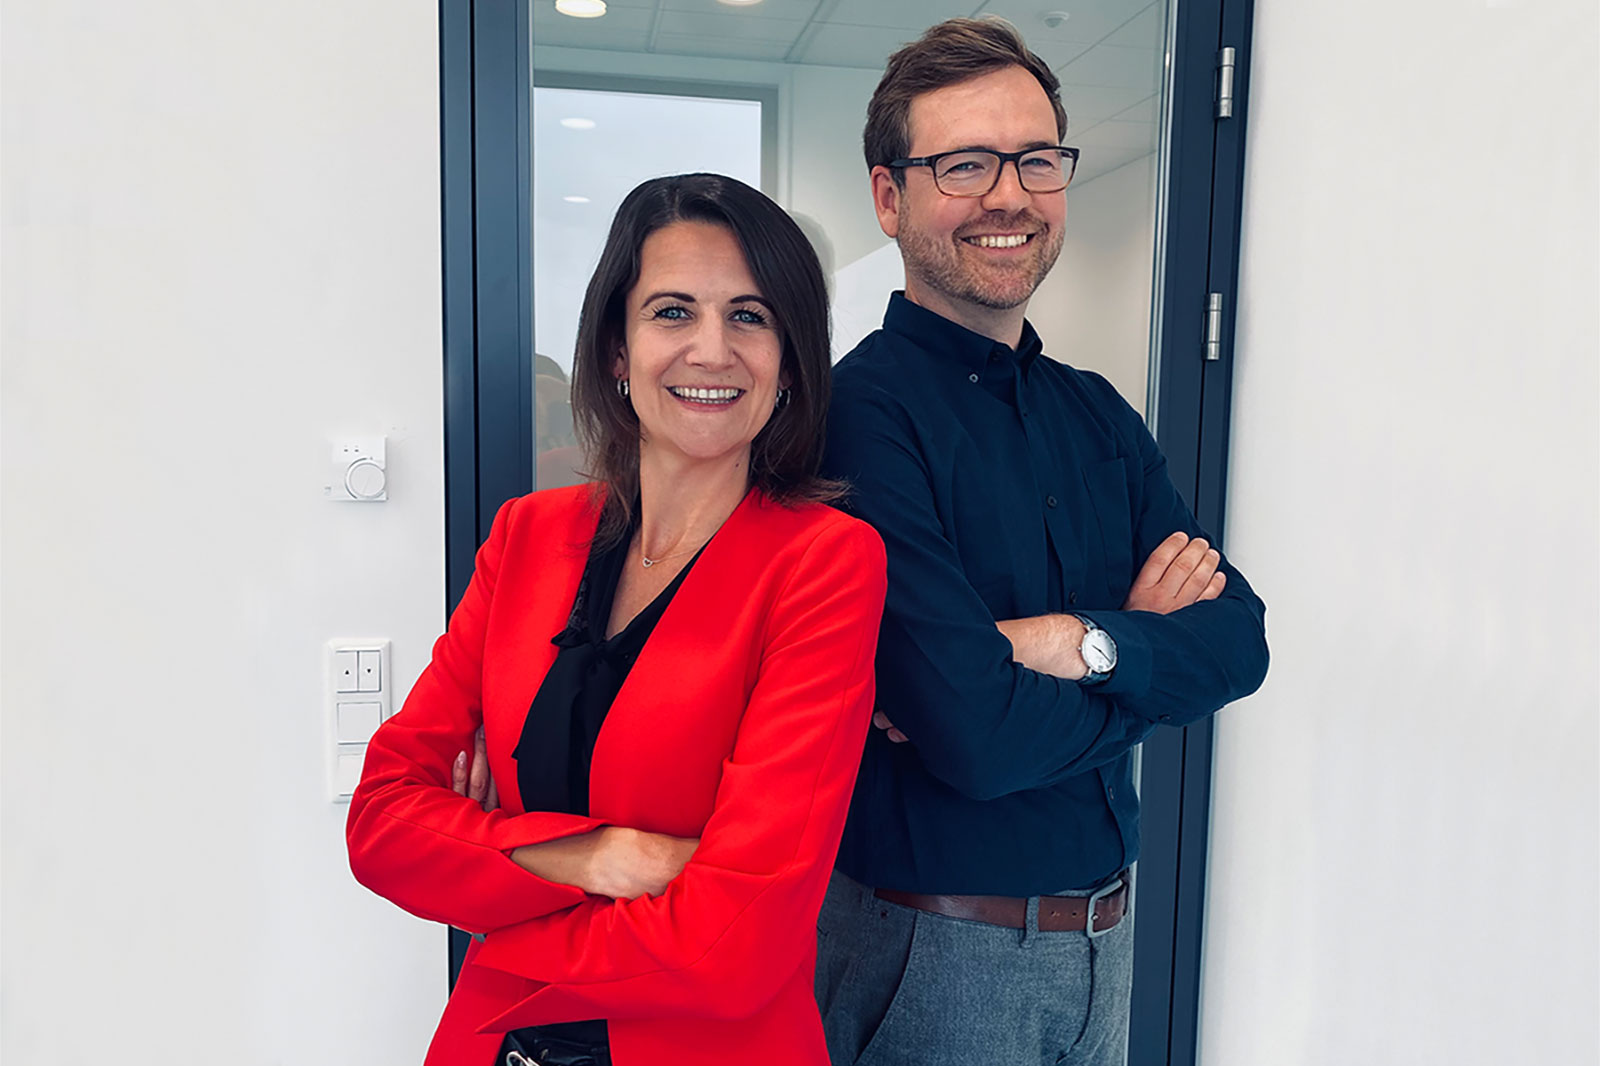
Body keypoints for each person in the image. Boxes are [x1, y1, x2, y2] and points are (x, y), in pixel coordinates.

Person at [347, 173, 888, 1066]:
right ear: (615, 349)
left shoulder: (823, 563)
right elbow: (382, 825)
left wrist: (492, 873)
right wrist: (589, 855)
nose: (712, 350)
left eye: (750, 317)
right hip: (497, 1048)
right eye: (673, 311)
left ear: (790, 361)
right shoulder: (526, 538)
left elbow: (736, 941)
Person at [814, 18, 1270, 1066]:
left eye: (1035, 159)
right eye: (965, 163)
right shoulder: (858, 416)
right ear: (890, 197)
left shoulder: (1098, 414)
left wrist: (1076, 643)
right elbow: (973, 736)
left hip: (1107, 950)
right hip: (933, 955)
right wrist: (1151, 658)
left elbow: (1240, 642)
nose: (1009, 194)